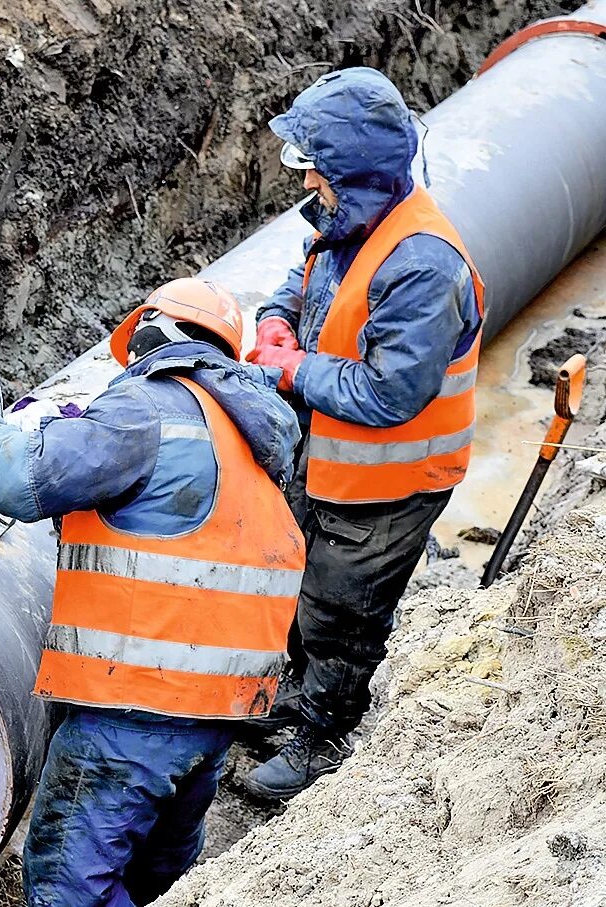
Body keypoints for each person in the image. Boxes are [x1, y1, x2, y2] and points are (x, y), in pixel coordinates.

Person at [0, 279, 305, 906]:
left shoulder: (146, 409)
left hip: (135, 706)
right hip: (220, 709)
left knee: (67, 885)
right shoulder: (251, 435)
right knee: (160, 870)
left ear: (152, 335)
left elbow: (16, 475)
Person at [243, 67, 484, 799]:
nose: (310, 184)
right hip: (331, 463)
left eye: (319, 171)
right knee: (298, 577)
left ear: (358, 174)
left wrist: (288, 370)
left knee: (342, 608)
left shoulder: (421, 264)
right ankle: (298, 693)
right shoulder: (351, 223)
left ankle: (325, 735)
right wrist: (277, 318)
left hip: (391, 481)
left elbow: (387, 395)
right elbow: (306, 282)